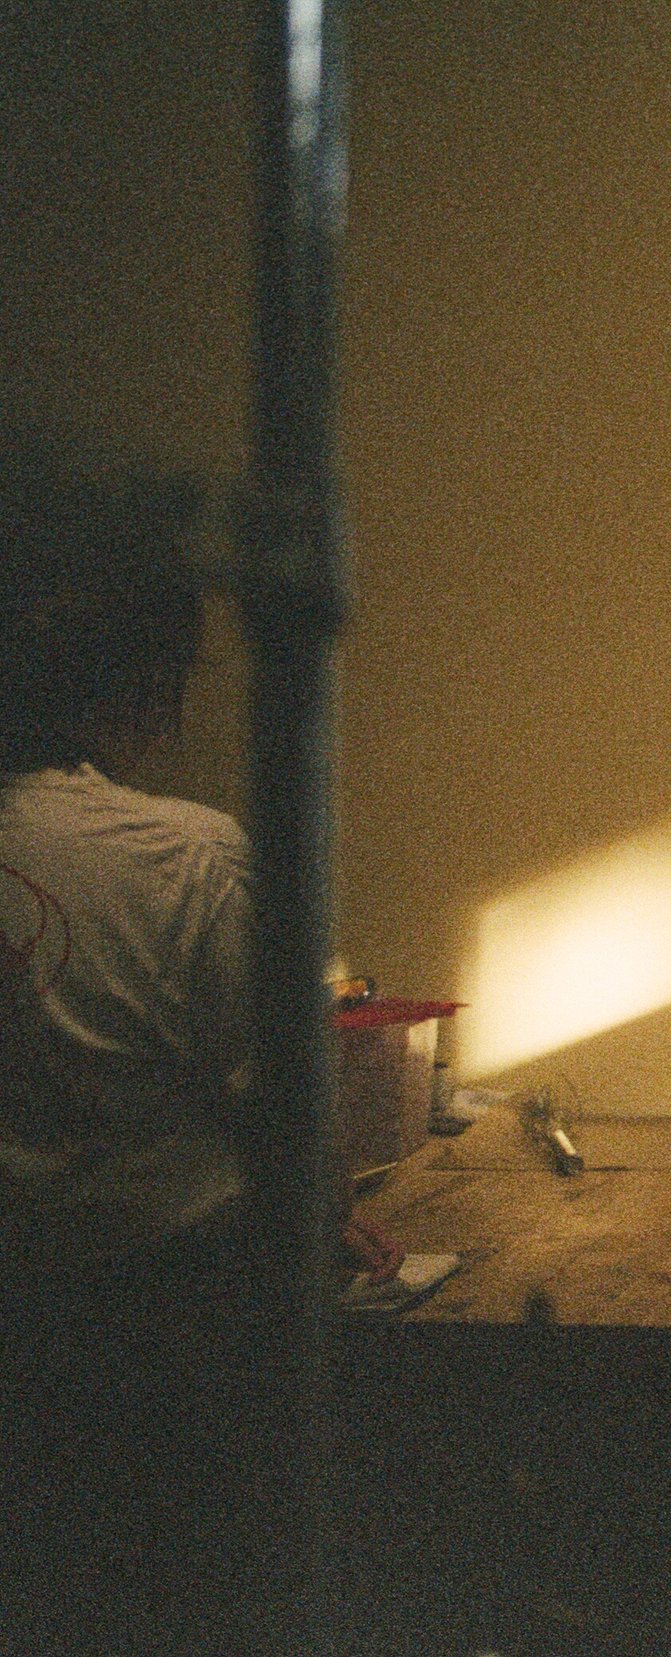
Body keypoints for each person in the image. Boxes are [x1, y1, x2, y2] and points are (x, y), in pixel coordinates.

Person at [0, 445, 398, 1651]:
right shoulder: (182, 855)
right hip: (165, 1339)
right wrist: (322, 1209)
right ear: (133, 676)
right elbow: (294, 1146)